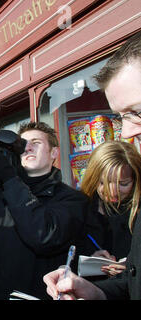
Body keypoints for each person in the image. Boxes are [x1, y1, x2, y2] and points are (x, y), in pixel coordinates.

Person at [44, 29, 141, 300]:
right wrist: (92, 287)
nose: (125, 133)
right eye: (122, 117)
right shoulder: (79, 207)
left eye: (138, 112)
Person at [0, 121, 88, 299]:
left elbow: (43, 237)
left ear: (54, 152)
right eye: (22, 144)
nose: (28, 148)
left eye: (36, 143)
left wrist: (9, 177)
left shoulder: (73, 199)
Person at [80, 141, 141, 277]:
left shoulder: (137, 212)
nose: (113, 192)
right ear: (92, 178)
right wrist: (90, 259)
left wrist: (131, 268)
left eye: (123, 183)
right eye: (103, 183)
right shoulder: (80, 209)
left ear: (136, 179)